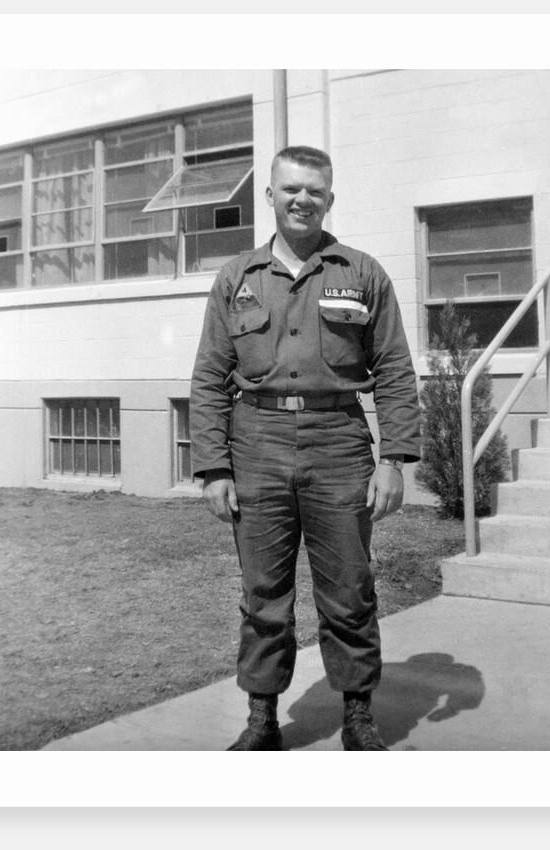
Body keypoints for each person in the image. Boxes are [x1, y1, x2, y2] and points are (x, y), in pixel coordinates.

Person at [189, 145, 421, 750]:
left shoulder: (362, 273)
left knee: (349, 589)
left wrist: (394, 460)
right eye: (290, 189)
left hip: (338, 442)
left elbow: (395, 369)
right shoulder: (237, 278)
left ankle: (358, 716)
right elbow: (209, 377)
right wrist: (214, 467)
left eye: (314, 190)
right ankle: (262, 719)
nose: (302, 200)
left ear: (330, 199)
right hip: (255, 444)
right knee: (263, 593)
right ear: (269, 196)